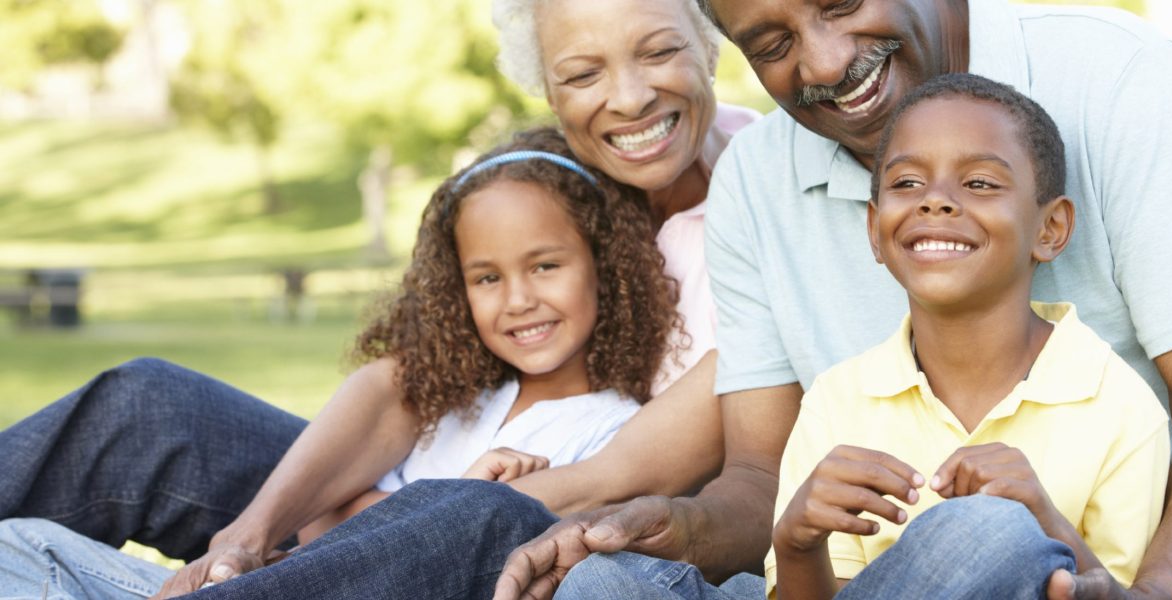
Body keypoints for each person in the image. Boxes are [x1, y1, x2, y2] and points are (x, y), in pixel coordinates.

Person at [497, 1, 1172, 598]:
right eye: (770, 45)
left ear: (1052, 224)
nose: (826, 61)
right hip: (879, 582)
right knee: (608, 583)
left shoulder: (1121, 79)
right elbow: (766, 484)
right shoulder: (759, 186)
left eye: (841, 1)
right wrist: (682, 525)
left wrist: (1146, 596)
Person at [0, 0, 757, 596]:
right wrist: (254, 531)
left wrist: (403, 517)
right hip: (428, 484)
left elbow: (624, 474)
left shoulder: (761, 204)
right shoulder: (568, 178)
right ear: (549, 93)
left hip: (551, 524)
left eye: (659, 51)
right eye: (581, 75)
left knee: (476, 510)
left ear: (710, 43)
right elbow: (409, 380)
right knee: (151, 406)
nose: (627, 97)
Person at [767, 73, 1168, 599]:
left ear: (1050, 229)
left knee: (990, 533)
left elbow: (1118, 593)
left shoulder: (1119, 408)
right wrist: (797, 543)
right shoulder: (838, 401)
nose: (935, 202)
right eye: (907, 183)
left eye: (979, 183)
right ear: (874, 230)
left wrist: (1044, 522)